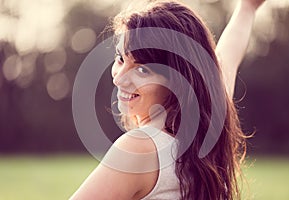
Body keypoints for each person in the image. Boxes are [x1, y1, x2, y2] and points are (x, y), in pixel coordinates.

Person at [70, 0, 266, 199]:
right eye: (120, 59)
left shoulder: (139, 148)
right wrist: (247, 8)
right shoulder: (207, 125)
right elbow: (230, 54)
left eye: (142, 69)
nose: (119, 78)